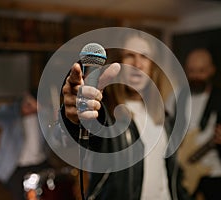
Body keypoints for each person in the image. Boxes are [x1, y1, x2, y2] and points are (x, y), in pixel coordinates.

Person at [59, 32, 191, 200]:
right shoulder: (104, 112)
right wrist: (72, 118)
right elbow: (69, 137)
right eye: (130, 55)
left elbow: (172, 176)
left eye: (144, 57)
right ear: (119, 62)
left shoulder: (164, 117)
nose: (138, 64)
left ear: (152, 65)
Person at [165, 48, 221, 200]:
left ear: (212, 70)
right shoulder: (175, 96)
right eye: (191, 71)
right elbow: (164, 131)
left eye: (201, 71)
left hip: (213, 170)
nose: (195, 76)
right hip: (182, 170)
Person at [0, 90, 52, 200]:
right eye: (26, 103)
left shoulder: (45, 116)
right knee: (21, 194)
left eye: (32, 106)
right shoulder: (9, 113)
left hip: (41, 163)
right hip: (16, 167)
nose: (28, 107)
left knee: (52, 189)